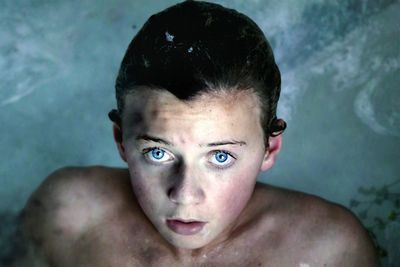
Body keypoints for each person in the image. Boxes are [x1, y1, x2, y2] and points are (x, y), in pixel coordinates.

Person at [20, 1, 379, 266]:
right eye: (157, 153)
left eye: (220, 157)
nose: (185, 196)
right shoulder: (65, 214)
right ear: (121, 142)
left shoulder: (328, 252)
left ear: (270, 149)